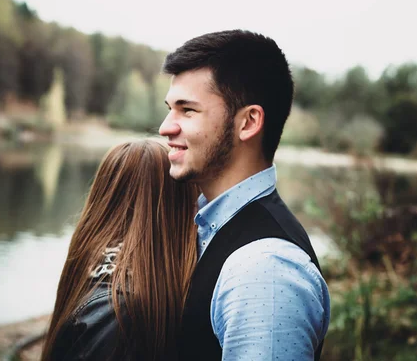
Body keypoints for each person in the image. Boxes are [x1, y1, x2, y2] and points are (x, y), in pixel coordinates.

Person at [159, 29, 331, 361]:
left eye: (187, 110)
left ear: (249, 122)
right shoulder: (209, 224)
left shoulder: (264, 271)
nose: (166, 126)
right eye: (170, 108)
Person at [41, 140, 199, 361]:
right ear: (175, 208)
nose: (199, 206)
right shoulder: (122, 314)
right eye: (195, 196)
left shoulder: (92, 269)